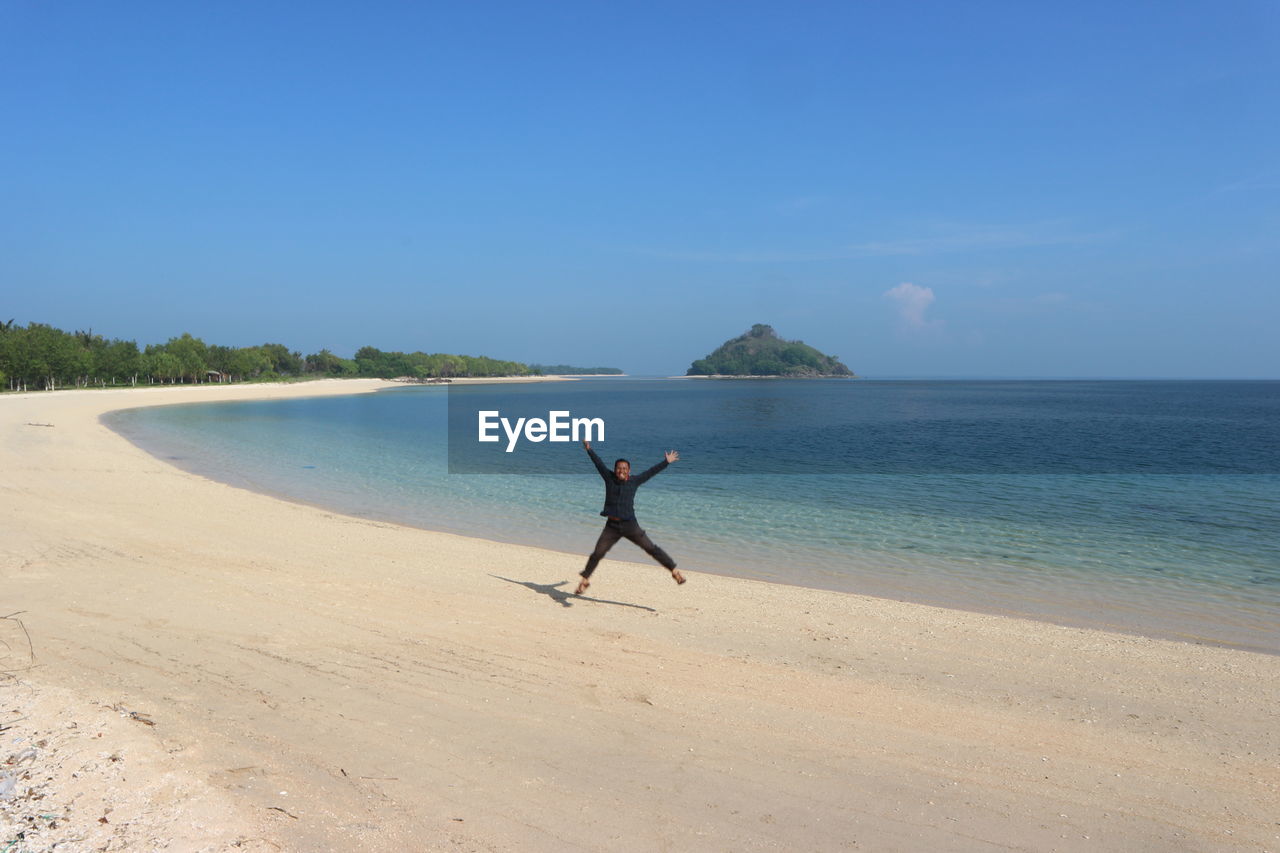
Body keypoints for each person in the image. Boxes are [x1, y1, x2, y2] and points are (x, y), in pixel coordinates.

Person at [576, 440, 685, 595]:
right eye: (619, 468)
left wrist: (666, 462)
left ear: (629, 470)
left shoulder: (634, 481)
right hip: (611, 527)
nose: (622, 470)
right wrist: (589, 449)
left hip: (630, 525)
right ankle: (584, 580)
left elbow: (651, 472)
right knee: (597, 553)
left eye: (624, 468)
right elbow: (598, 464)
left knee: (651, 548)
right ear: (615, 470)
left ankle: (674, 571)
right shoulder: (609, 478)